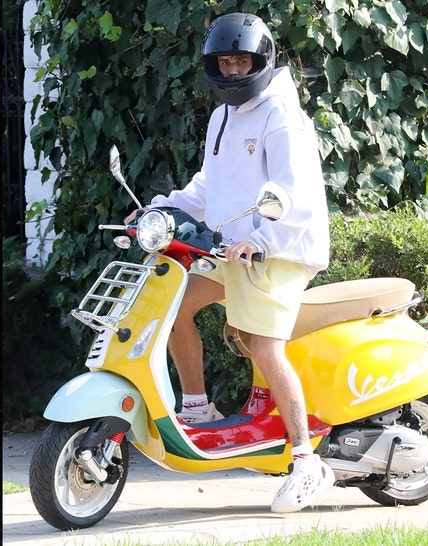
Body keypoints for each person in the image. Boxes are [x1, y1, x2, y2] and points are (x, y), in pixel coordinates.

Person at [126, 12, 333, 513]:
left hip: (281, 248)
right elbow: (210, 188)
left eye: (243, 61)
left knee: (263, 345)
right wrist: (161, 208)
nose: (234, 71)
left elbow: (297, 195)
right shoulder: (222, 116)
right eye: (226, 62)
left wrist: (263, 241)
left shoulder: (281, 115)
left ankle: (306, 462)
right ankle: (197, 408)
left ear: (261, 62)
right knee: (172, 307)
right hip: (235, 248)